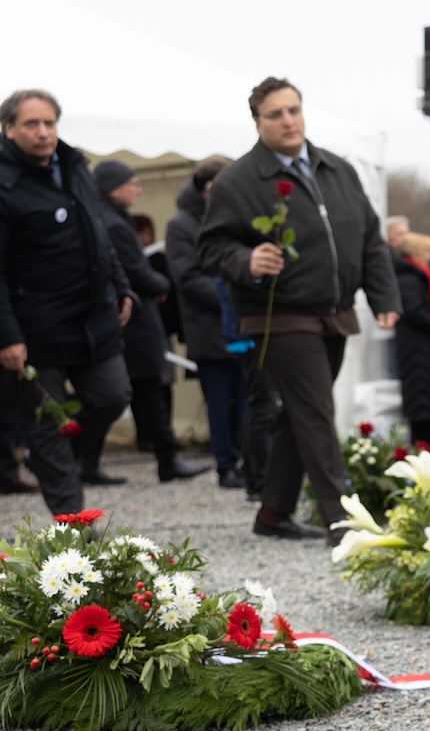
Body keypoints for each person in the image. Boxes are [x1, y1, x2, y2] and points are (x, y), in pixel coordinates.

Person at [201, 77, 400, 541]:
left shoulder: (338, 169)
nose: (288, 120)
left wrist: (384, 296)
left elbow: (370, 238)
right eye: (275, 114)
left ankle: (273, 514)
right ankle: (344, 521)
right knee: (314, 411)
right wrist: (246, 260)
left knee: (297, 414)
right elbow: (210, 248)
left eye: (293, 110)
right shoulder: (238, 181)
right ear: (257, 121)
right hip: (278, 313)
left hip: (334, 309)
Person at [0, 89, 136, 516]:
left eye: (49, 123)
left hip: (93, 318)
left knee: (113, 396)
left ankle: (51, 460)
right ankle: (74, 531)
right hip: (36, 328)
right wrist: (7, 336)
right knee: (47, 424)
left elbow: (98, 231)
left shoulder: (75, 165)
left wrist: (121, 284)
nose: (43, 133)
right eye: (31, 125)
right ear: (8, 130)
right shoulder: (5, 183)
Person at [91, 159, 208, 484]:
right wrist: (162, 285)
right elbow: (132, 268)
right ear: (115, 187)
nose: (139, 189)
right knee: (146, 388)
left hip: (127, 316)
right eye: (134, 183)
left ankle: (86, 460)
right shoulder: (114, 222)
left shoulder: (105, 217)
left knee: (130, 391)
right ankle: (166, 459)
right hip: (135, 319)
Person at [167, 156, 253, 487]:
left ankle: (252, 462)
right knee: (219, 401)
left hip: (242, 327)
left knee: (248, 396)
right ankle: (226, 465)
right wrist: (234, 298)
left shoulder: (233, 218)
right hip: (209, 328)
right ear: (211, 187)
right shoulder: (182, 225)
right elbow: (187, 278)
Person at [393, 233, 430, 447]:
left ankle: (429, 449)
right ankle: (425, 450)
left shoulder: (417, 276)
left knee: (427, 406)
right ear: (416, 253)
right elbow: (415, 311)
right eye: (428, 252)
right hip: (417, 350)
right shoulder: (410, 279)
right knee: (422, 407)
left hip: (423, 349)